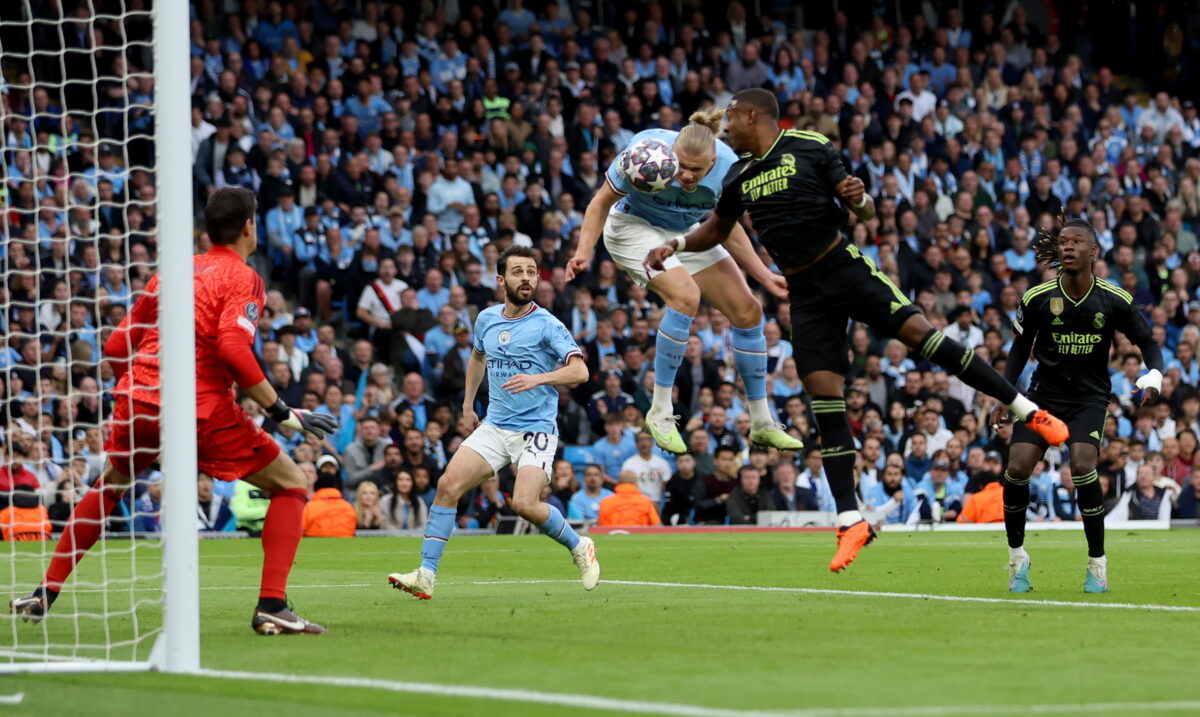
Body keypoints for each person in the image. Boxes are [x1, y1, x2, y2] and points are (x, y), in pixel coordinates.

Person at [645, 88, 1069, 573]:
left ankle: (1027, 410)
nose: (725, 134)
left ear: (750, 115)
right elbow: (716, 231)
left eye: (730, 125)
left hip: (844, 269)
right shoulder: (739, 174)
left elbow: (863, 209)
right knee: (826, 402)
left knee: (923, 338)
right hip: (805, 295)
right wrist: (675, 243)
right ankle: (851, 521)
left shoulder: (808, 145)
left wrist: (862, 199)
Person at [12, 187, 338, 634]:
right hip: (199, 408)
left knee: (110, 486)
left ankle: (44, 591)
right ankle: (272, 605)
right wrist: (282, 412)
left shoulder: (173, 273)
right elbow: (231, 348)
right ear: (249, 227)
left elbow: (114, 346)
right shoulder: (243, 277)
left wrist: (149, 380)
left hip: (137, 402)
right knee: (292, 485)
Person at [567, 108, 799, 455]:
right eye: (682, 166)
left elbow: (726, 227)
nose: (687, 175)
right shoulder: (643, 152)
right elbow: (601, 202)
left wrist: (764, 275)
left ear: (712, 162)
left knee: (749, 311)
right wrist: (584, 250)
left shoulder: (729, 167)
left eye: (696, 169)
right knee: (686, 296)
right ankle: (660, 412)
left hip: (683, 232)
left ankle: (762, 421)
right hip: (632, 227)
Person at [388, 246, 598, 600]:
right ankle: (426, 575)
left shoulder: (547, 324)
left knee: (524, 505)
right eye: (518, 272)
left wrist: (539, 378)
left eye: (532, 271)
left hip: (536, 430)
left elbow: (580, 371)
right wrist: (468, 405)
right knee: (447, 486)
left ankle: (580, 546)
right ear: (501, 280)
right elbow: (477, 356)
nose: (527, 278)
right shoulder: (486, 318)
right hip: (495, 426)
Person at [996, 218, 1162, 595]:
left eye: (1076, 242)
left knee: (1084, 466)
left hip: (1089, 399)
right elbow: (1020, 349)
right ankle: (1018, 558)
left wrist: (1155, 375)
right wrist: (1007, 395)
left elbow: (1149, 343)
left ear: (1094, 252)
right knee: (1018, 467)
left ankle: (1096, 563)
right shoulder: (1037, 297)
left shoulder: (1114, 299)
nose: (1067, 247)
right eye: (1063, 242)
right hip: (1042, 398)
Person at [302, 457, 357, 537]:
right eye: (324, 467)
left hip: (315, 545)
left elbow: (300, 530)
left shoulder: (310, 507)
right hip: (345, 546)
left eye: (331, 467)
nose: (328, 470)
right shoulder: (348, 507)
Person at [620, 431, 672, 503]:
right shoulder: (628, 464)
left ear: (652, 443)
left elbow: (666, 486)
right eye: (640, 440)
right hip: (637, 503)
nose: (644, 443)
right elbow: (626, 487)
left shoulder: (662, 463)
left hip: (658, 502)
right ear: (636, 444)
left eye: (647, 439)